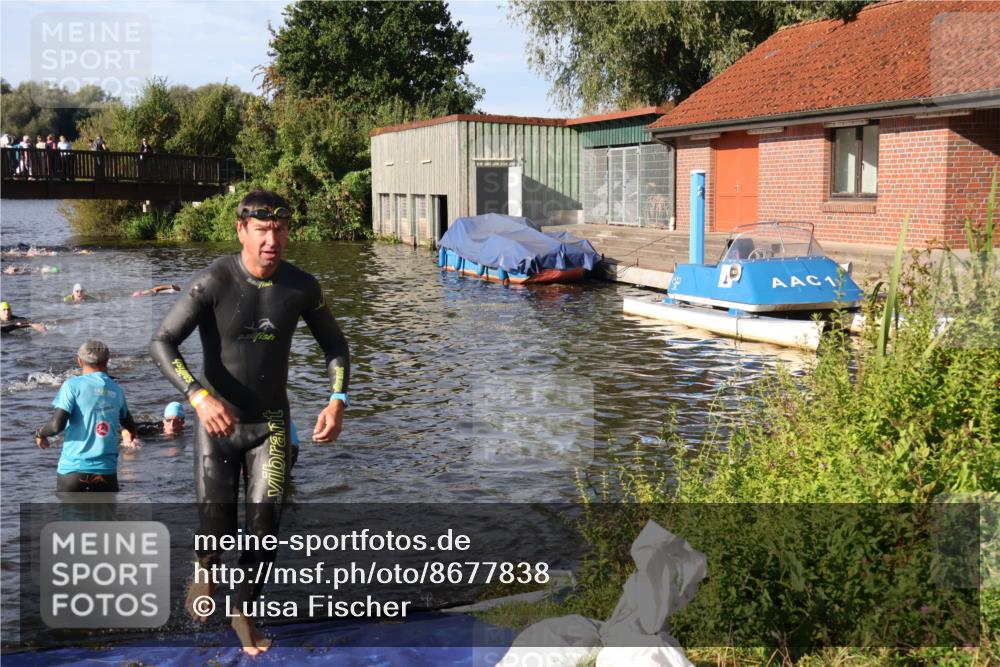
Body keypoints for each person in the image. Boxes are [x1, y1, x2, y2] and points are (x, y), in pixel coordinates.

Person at [149, 189, 350, 656]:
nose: (271, 240)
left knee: (264, 527)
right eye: (261, 230)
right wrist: (197, 396)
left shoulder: (303, 287)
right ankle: (206, 565)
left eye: (279, 230)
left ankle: (242, 610)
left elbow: (335, 346)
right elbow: (161, 342)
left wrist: (336, 399)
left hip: (272, 426)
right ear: (241, 230)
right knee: (216, 526)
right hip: (217, 424)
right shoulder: (211, 283)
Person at [34, 340, 139, 491]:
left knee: (71, 514)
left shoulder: (72, 385)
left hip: (73, 471)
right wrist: (132, 433)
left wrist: (40, 433)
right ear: (107, 361)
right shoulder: (116, 389)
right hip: (106, 472)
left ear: (79, 360)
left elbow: (57, 425)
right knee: (105, 514)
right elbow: (128, 423)